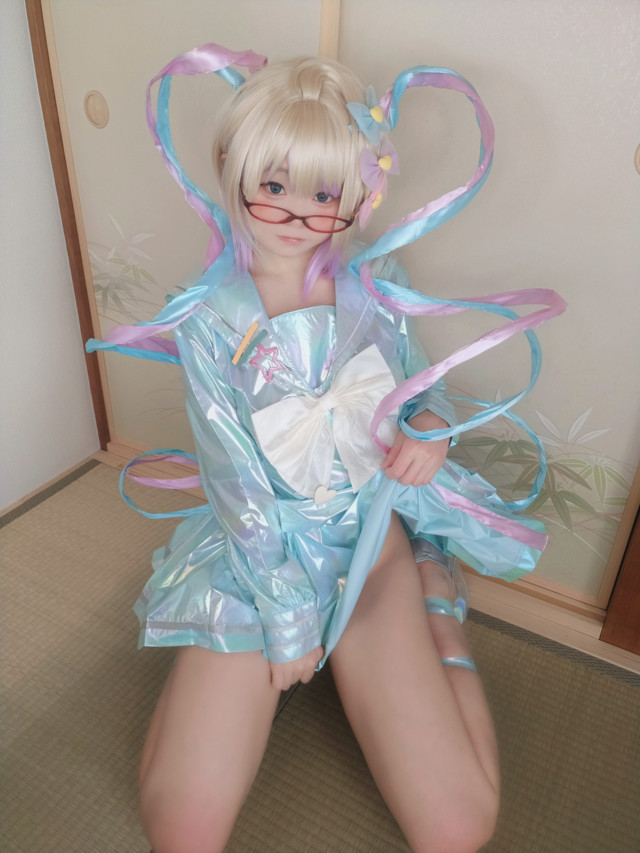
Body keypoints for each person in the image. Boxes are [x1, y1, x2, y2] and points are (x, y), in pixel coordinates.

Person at [88, 45, 563, 853]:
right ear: (232, 168)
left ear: (358, 193)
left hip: (369, 543)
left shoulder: (378, 281)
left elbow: (422, 386)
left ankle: (437, 613)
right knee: (182, 830)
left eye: (324, 193)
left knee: (457, 828)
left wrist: (427, 426)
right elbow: (236, 485)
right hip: (259, 556)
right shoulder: (208, 316)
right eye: (273, 186)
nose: (297, 216)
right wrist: (286, 620)